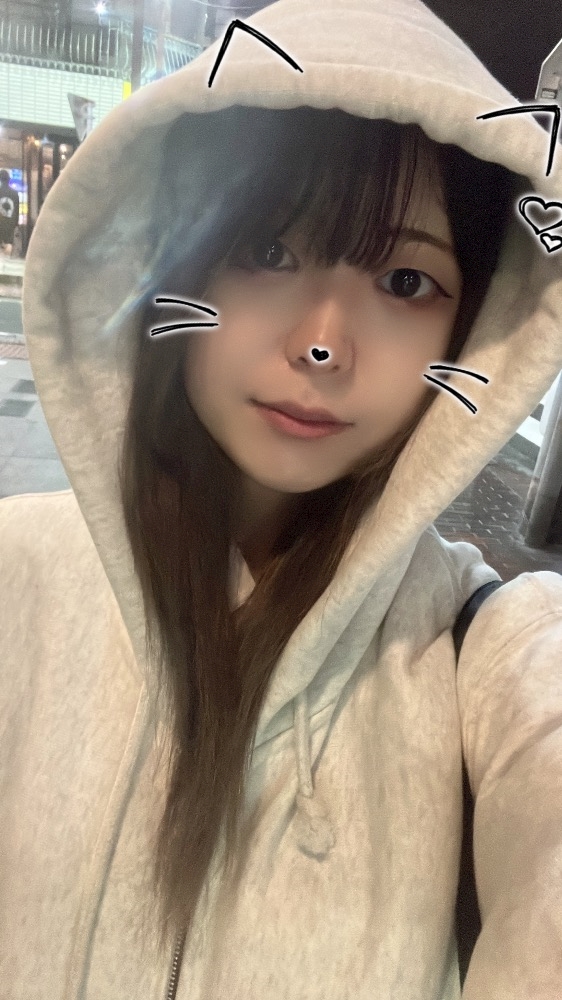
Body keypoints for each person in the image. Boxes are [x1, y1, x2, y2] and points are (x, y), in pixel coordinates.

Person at [1, 1, 562, 997]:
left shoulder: (483, 647)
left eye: (405, 280)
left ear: (472, 327)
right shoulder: (16, 577)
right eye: (266, 251)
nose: (323, 345)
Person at [0, 168, 19, 256]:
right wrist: (16, 224)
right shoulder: (15, 193)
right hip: (10, 227)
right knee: (8, 251)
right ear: (9, 180)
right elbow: (16, 211)